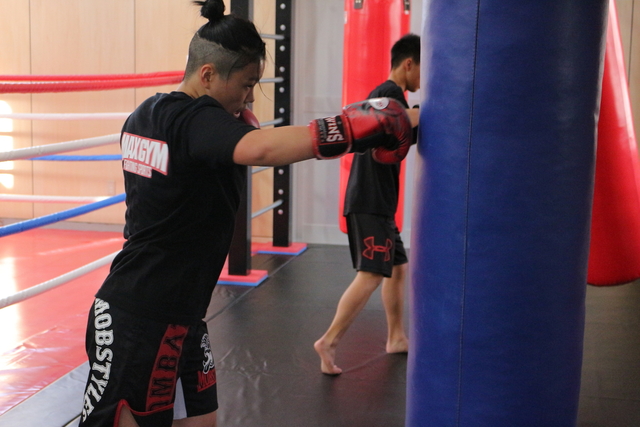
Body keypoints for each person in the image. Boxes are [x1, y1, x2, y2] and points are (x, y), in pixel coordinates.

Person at [78, 1, 418, 426]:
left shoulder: (146, 115)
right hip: (140, 317)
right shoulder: (195, 120)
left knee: (202, 421)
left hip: (182, 315)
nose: (249, 96)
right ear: (207, 75)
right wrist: (349, 128)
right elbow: (262, 149)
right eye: (245, 84)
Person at [314, 33, 421, 375]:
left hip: (379, 200)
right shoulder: (389, 95)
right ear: (408, 64)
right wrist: (438, 109)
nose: (424, 78)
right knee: (372, 274)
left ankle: (396, 337)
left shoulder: (387, 97)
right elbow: (408, 121)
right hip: (370, 199)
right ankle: (329, 341)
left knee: (398, 268)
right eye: (423, 69)